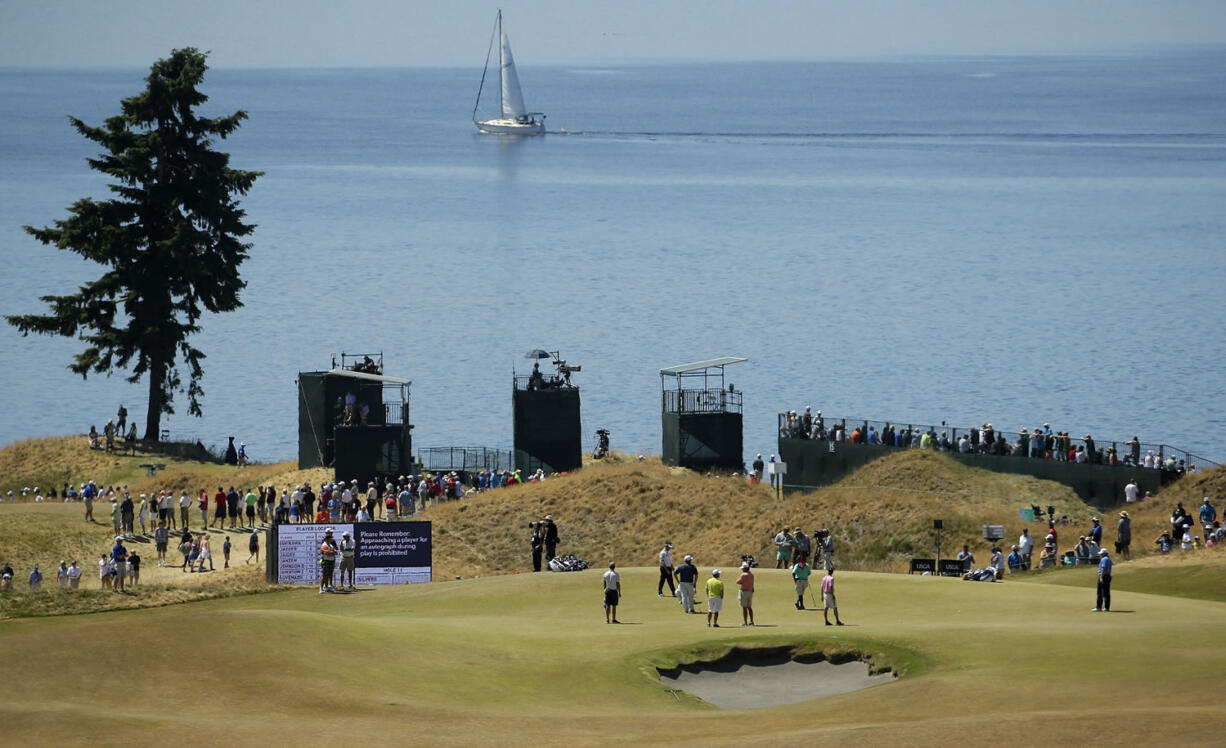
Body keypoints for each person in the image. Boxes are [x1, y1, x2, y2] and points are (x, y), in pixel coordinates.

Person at [319, 528, 339, 593]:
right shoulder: (324, 543)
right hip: (325, 560)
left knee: (328, 574)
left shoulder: (330, 544)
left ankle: (327, 587)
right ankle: (321, 588)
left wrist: (332, 553)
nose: (331, 539)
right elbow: (326, 553)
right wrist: (332, 553)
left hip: (330, 560)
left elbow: (336, 551)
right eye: (330, 539)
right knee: (324, 574)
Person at [735, 562, 755, 626]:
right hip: (750, 591)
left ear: (745, 568)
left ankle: (745, 622)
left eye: (743, 568)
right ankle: (751, 621)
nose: (742, 569)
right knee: (749, 607)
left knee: (744, 607)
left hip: (744, 592)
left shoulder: (743, 575)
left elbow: (738, 581)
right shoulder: (751, 574)